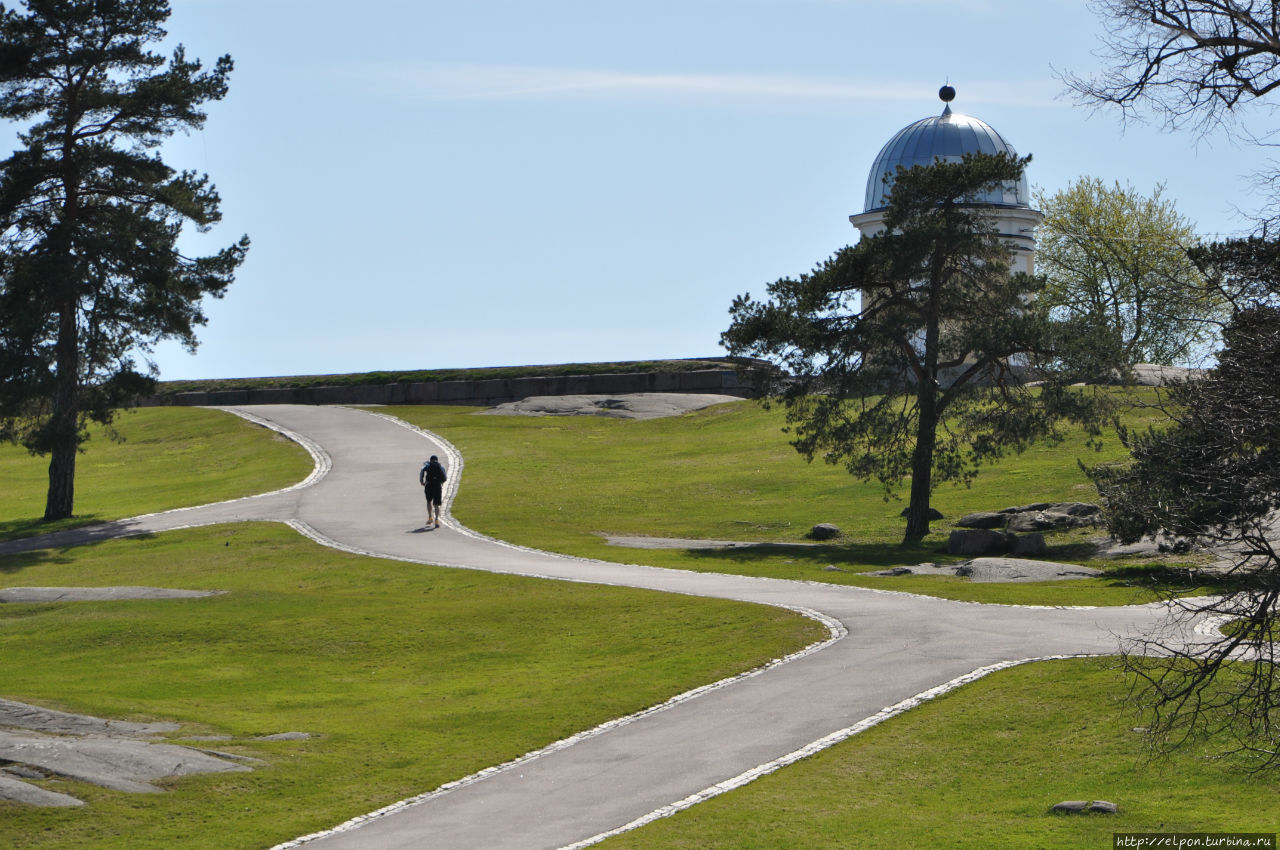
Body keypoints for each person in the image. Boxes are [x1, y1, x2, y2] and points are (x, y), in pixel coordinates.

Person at [419, 455, 447, 528]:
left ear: (430, 460)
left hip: (429, 485)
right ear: (437, 460)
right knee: (436, 504)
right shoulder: (440, 466)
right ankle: (437, 520)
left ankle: (430, 517)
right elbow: (444, 477)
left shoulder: (427, 465)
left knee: (429, 501)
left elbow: (422, 471)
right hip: (437, 486)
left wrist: (421, 481)